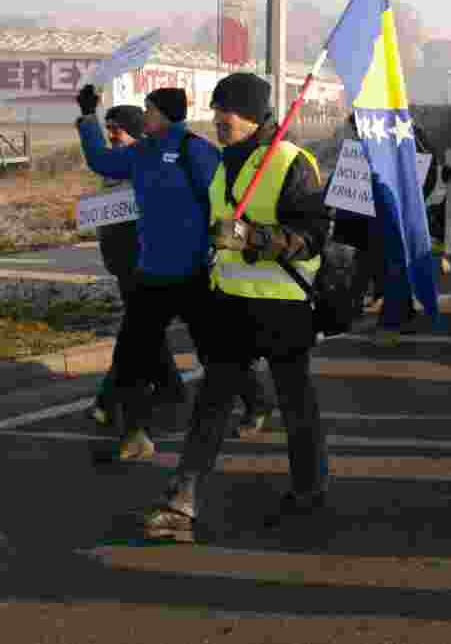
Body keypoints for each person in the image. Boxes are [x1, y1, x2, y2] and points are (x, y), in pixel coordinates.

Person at [142, 72, 331, 540]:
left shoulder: (292, 162)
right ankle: (181, 501)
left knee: (296, 407)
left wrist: (255, 238)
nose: (218, 118)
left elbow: (312, 238)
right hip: (229, 305)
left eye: (226, 110)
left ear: (250, 113)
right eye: (216, 109)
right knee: (211, 404)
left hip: (283, 307)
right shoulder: (226, 163)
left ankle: (309, 490)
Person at [77, 85, 220, 462]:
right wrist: (89, 118)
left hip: (192, 273)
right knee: (134, 355)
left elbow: (221, 202)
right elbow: (102, 162)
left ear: (167, 113)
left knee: (216, 353)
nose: (145, 116)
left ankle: (254, 406)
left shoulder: (196, 150)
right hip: (150, 271)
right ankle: (135, 434)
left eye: (150, 110)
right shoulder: (141, 152)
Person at [86, 106, 188, 426]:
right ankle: (172, 387)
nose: (112, 134)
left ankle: (108, 398)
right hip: (123, 263)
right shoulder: (114, 165)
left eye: (117, 128)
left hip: (149, 263)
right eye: (108, 127)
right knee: (148, 331)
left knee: (136, 332)